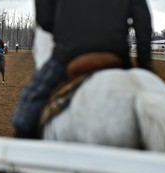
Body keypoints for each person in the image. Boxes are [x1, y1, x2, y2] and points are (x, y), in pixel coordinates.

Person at [12, 0, 153, 139]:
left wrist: (65, 31)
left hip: (69, 54)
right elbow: (143, 19)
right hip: (116, 52)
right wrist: (144, 63)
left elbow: (44, 18)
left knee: (29, 106)